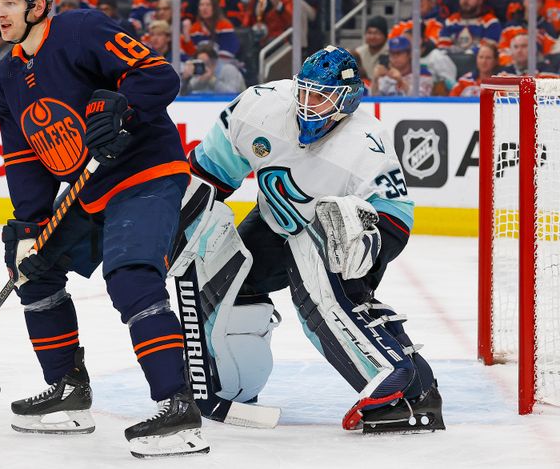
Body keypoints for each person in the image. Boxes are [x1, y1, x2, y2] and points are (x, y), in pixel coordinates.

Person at [0, 0, 209, 458]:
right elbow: (25, 160)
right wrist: (29, 226)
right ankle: (68, 390)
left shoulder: (82, 29)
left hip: (145, 173)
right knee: (32, 269)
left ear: (39, 5)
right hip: (89, 191)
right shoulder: (5, 80)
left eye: (10, 3)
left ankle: (177, 408)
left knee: (130, 275)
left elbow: (158, 74)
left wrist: (122, 107)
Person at [180, 45, 444, 434]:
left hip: (338, 240)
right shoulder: (259, 106)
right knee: (228, 283)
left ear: (348, 99)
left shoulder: (365, 143)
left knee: (324, 303)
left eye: (320, 97)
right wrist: (182, 222)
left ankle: (406, 387)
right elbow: (210, 174)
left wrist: (363, 254)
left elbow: (397, 214)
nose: (307, 104)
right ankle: (234, 385)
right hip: (274, 226)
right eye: (303, 92)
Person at [181, 41, 246, 94]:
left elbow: (233, 93)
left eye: (206, 63)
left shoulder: (229, 70)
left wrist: (212, 80)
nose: (204, 67)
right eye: (201, 63)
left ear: (215, 61)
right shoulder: (199, 69)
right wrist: (186, 80)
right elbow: (183, 93)